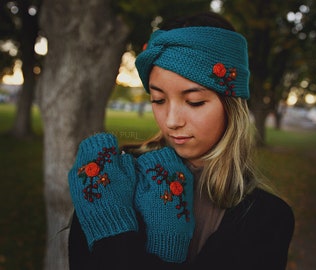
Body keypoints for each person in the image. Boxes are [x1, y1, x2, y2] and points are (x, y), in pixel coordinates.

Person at [68, 11, 295, 270]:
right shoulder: (111, 180)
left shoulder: (268, 219)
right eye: (158, 100)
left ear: (232, 106)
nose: (171, 121)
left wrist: (125, 240)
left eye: (194, 101)